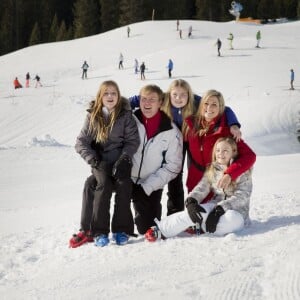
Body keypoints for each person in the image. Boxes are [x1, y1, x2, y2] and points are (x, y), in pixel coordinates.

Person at [129, 80, 241, 217]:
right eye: (175, 94)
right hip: (172, 141)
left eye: (183, 95)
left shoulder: (196, 102)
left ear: (189, 95)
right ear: (169, 94)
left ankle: (195, 205)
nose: (178, 98)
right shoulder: (163, 98)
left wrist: (234, 124)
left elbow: (225, 109)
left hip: (191, 139)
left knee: (194, 172)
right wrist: (117, 107)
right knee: (174, 174)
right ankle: (174, 212)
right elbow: (137, 99)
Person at [69, 80, 140, 248]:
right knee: (101, 185)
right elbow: (81, 142)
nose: (110, 96)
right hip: (100, 163)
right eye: (106, 93)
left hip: (120, 162)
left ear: (118, 96)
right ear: (100, 96)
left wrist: (125, 158)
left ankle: (121, 230)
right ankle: (98, 231)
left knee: (124, 184)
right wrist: (92, 159)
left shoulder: (125, 115)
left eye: (113, 93)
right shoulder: (93, 116)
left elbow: (132, 141)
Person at [144, 136, 254, 241]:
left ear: (233, 152)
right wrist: (192, 200)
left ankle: (202, 226)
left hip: (236, 213)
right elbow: (202, 187)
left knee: (230, 219)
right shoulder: (213, 169)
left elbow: (242, 197)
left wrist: (221, 209)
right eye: (218, 150)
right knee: (193, 213)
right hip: (215, 207)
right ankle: (161, 230)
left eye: (225, 150)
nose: (221, 153)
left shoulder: (242, 171)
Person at [131, 84, 183, 234]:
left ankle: (143, 209)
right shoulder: (130, 121)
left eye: (152, 99)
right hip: (126, 179)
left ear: (160, 102)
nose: (147, 103)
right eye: (144, 99)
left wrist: (146, 187)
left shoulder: (171, 131)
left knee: (146, 228)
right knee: (94, 184)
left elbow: (173, 166)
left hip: (150, 183)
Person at [184, 89, 256, 194]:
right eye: (206, 103)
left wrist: (229, 174)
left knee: (216, 209)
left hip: (217, 182)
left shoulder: (226, 130)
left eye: (214, 105)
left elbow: (250, 156)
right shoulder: (191, 125)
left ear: (220, 108)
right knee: (195, 209)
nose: (209, 108)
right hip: (196, 182)